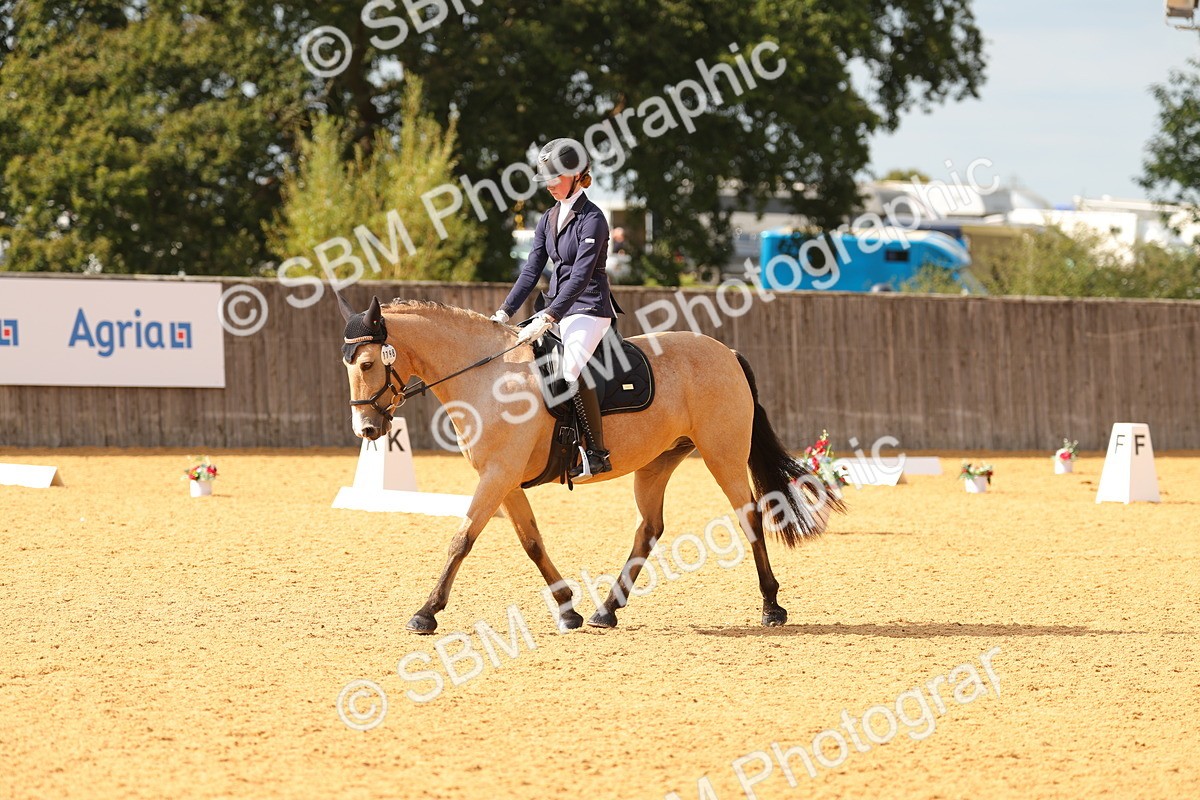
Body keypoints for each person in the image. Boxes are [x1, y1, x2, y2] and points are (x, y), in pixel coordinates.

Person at [491, 138, 615, 478]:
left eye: (555, 178)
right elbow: (532, 270)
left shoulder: (593, 219)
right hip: (554, 307)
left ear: (576, 175)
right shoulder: (547, 218)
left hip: (588, 308)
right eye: (546, 179)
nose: (549, 185)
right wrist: (504, 312)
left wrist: (549, 316)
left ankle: (598, 453)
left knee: (570, 369)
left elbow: (580, 275)